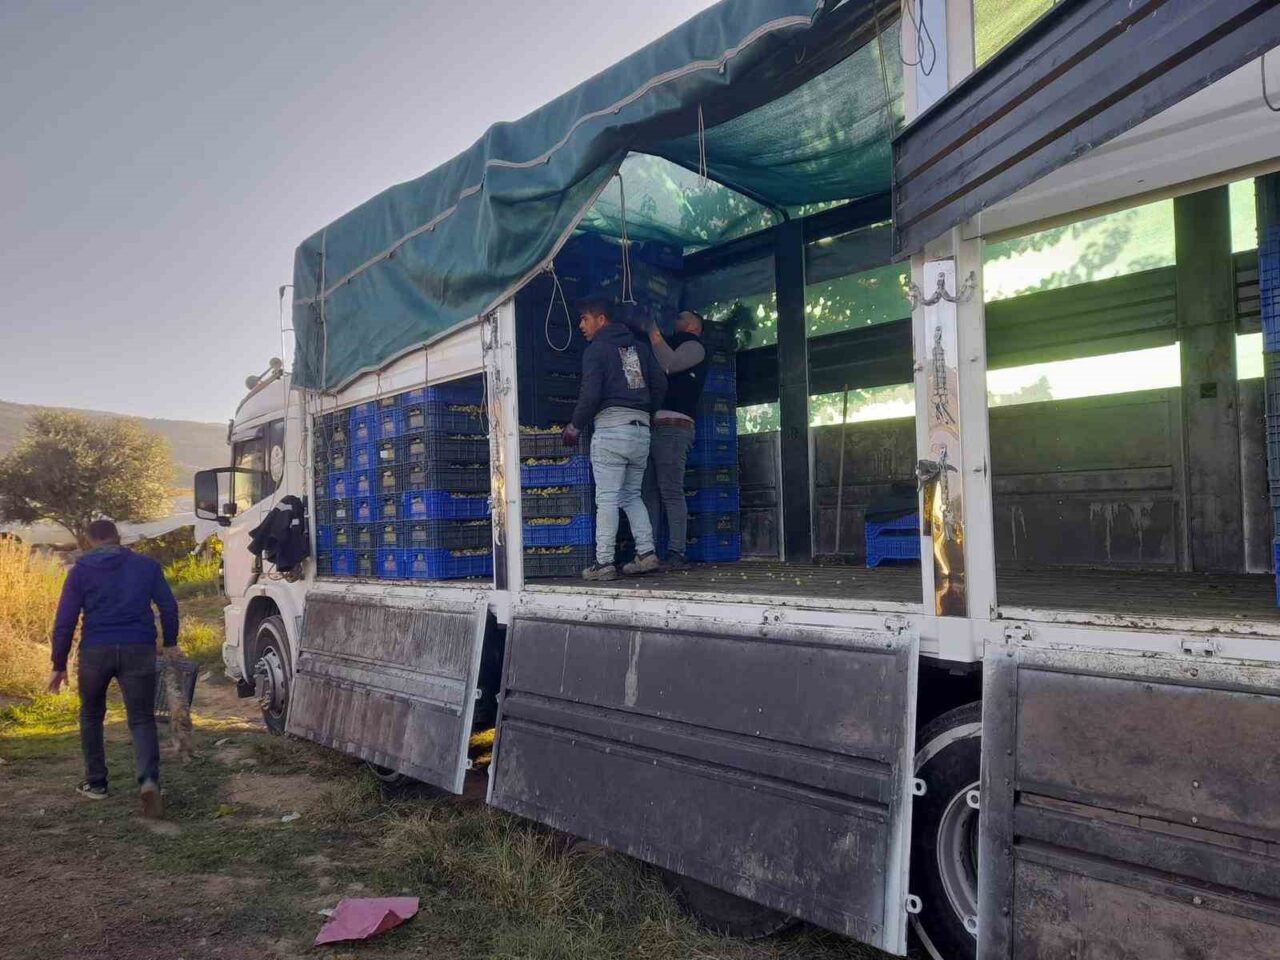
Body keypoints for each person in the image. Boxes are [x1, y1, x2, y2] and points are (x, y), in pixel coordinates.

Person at [49, 519, 179, 817]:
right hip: (138, 647)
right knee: (141, 719)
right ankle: (148, 781)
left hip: (96, 650)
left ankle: (96, 784)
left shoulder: (80, 571)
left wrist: (59, 664)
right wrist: (170, 641)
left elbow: (65, 621)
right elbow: (169, 606)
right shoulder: (146, 566)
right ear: (118, 538)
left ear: (88, 540)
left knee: (92, 715)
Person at [563, 298, 666, 581]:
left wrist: (575, 425)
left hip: (611, 431)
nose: (581, 325)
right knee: (631, 495)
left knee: (607, 498)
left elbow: (591, 393)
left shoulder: (597, 349)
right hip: (640, 431)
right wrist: (646, 411)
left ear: (601, 319)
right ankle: (647, 553)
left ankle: (604, 561)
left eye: (585, 318)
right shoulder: (636, 349)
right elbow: (660, 384)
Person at [643, 310, 709, 569]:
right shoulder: (681, 343)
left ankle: (676, 552)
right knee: (649, 491)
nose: (675, 322)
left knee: (669, 490)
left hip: (674, 427)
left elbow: (669, 363)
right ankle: (648, 552)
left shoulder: (695, 346)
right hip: (658, 427)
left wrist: (652, 331)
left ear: (694, 326)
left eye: (680, 318)